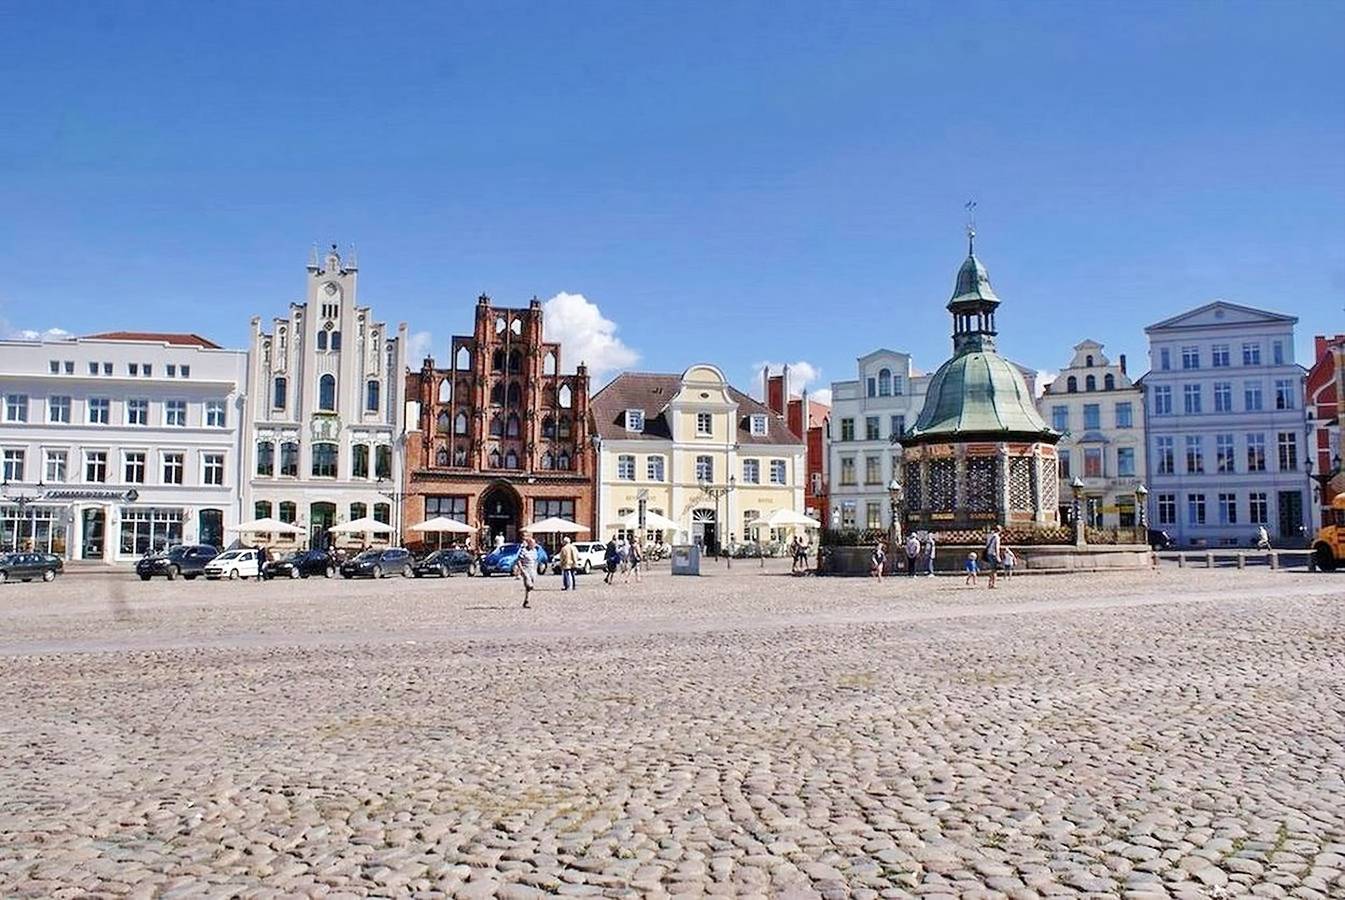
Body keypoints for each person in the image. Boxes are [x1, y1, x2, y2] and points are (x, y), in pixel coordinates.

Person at [515, 536, 539, 607]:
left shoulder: (534, 551)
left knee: (529, 588)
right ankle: (527, 599)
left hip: (533, 569)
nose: (534, 545)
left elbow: (536, 560)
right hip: (525, 569)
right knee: (529, 584)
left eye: (534, 544)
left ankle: (527, 600)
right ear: (529, 544)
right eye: (532, 544)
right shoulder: (524, 550)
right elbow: (518, 561)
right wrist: (521, 570)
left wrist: (536, 569)